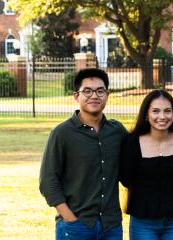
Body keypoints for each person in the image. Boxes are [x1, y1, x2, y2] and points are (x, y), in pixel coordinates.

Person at [39, 68, 128, 240]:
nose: (94, 96)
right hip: (76, 226)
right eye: (87, 91)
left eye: (100, 91)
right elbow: (48, 181)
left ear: (107, 95)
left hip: (111, 227)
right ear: (76, 96)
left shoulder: (117, 131)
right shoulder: (62, 133)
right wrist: (70, 218)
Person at [119, 89, 173, 240]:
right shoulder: (132, 142)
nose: (162, 116)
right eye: (155, 111)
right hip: (143, 221)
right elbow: (126, 180)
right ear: (146, 114)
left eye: (167, 111)